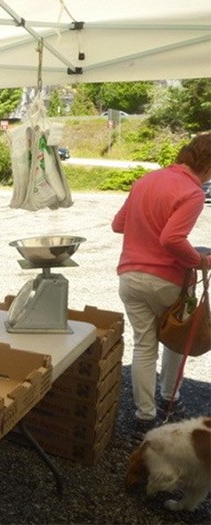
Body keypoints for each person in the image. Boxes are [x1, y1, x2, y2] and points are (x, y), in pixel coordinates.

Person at [111, 132, 211, 441]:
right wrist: (200, 261)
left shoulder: (146, 180)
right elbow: (171, 239)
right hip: (166, 280)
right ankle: (170, 398)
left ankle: (144, 418)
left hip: (129, 277)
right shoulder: (192, 193)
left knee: (144, 346)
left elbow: (118, 224)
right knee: (176, 339)